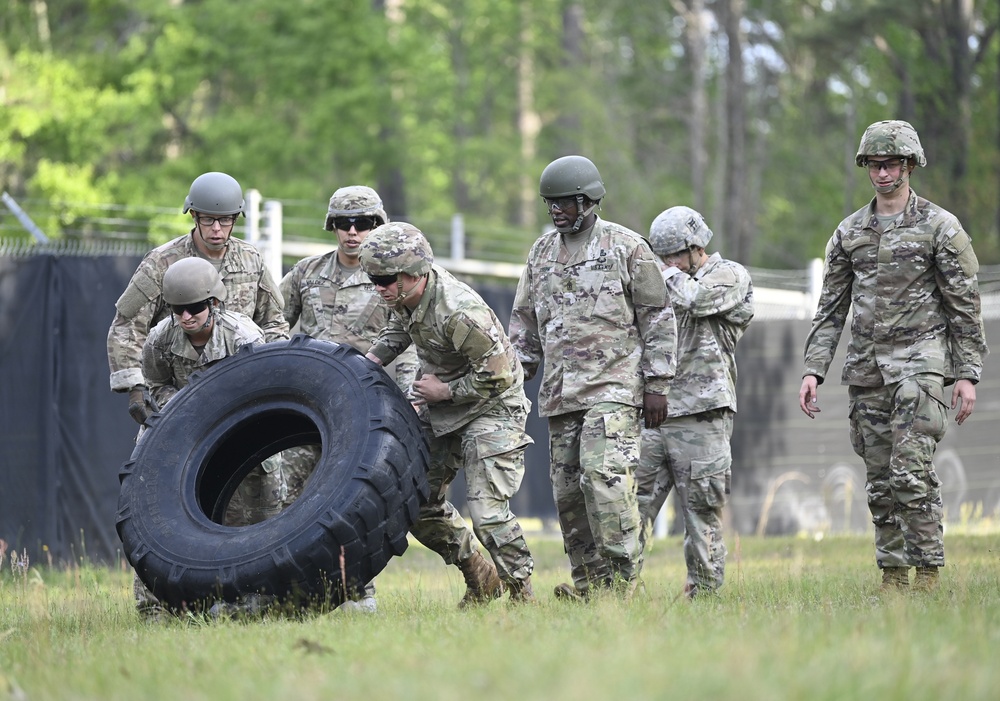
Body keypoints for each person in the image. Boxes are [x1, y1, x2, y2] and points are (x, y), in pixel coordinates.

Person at [798, 120, 987, 593]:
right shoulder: (849, 233)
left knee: (909, 469)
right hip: (866, 369)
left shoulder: (941, 228)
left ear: (909, 166)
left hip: (921, 365)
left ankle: (927, 570)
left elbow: (963, 304)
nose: (882, 174)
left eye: (891, 164)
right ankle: (894, 575)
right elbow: (831, 309)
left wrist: (967, 375)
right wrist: (813, 370)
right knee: (880, 478)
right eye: (874, 165)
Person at [509, 155, 676, 601]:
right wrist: (511, 378)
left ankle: (624, 587)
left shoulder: (627, 247)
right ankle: (591, 587)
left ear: (588, 200)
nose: (556, 211)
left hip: (614, 388)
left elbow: (657, 318)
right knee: (569, 495)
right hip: (561, 395)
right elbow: (525, 323)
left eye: (565, 202)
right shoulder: (541, 253)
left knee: (604, 479)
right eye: (550, 204)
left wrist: (657, 386)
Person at [360, 222, 536, 606]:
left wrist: (444, 391)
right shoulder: (404, 299)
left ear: (413, 273)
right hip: (443, 408)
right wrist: (365, 365)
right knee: (415, 503)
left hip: (492, 406)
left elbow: (501, 375)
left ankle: (524, 595)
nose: (379, 288)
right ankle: (481, 577)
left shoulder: (459, 311)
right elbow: (397, 333)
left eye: (386, 279)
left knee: (487, 512)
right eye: (373, 278)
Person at [278, 185, 418, 613]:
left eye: (363, 224)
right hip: (309, 407)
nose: (353, 233)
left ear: (378, 225)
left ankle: (357, 589)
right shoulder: (306, 273)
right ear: (332, 227)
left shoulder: (391, 276)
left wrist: (412, 399)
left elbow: (411, 342)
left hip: (366, 409)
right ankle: (292, 590)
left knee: (356, 502)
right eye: (343, 224)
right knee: (293, 496)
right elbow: (269, 324)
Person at [135, 257, 287, 620]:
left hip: (246, 432)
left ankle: (256, 602)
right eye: (178, 310)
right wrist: (189, 412)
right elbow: (156, 385)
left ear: (213, 304)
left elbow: (265, 388)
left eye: (194, 308)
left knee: (259, 519)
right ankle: (156, 607)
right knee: (156, 517)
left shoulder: (243, 337)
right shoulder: (162, 337)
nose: (187, 317)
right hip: (186, 436)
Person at [634, 206, 754, 598]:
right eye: (661, 256)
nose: (668, 263)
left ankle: (702, 595)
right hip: (654, 413)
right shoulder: (665, 279)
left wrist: (663, 276)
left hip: (701, 416)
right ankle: (615, 589)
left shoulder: (729, 275)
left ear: (696, 247)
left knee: (702, 512)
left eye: (674, 255)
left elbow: (700, 301)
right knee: (628, 507)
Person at [107, 171, 289, 424]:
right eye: (208, 219)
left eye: (225, 220)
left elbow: (273, 323)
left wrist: (275, 374)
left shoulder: (251, 260)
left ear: (236, 218)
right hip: (176, 395)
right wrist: (135, 387)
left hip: (243, 394)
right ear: (194, 215)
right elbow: (128, 325)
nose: (217, 229)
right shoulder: (162, 262)